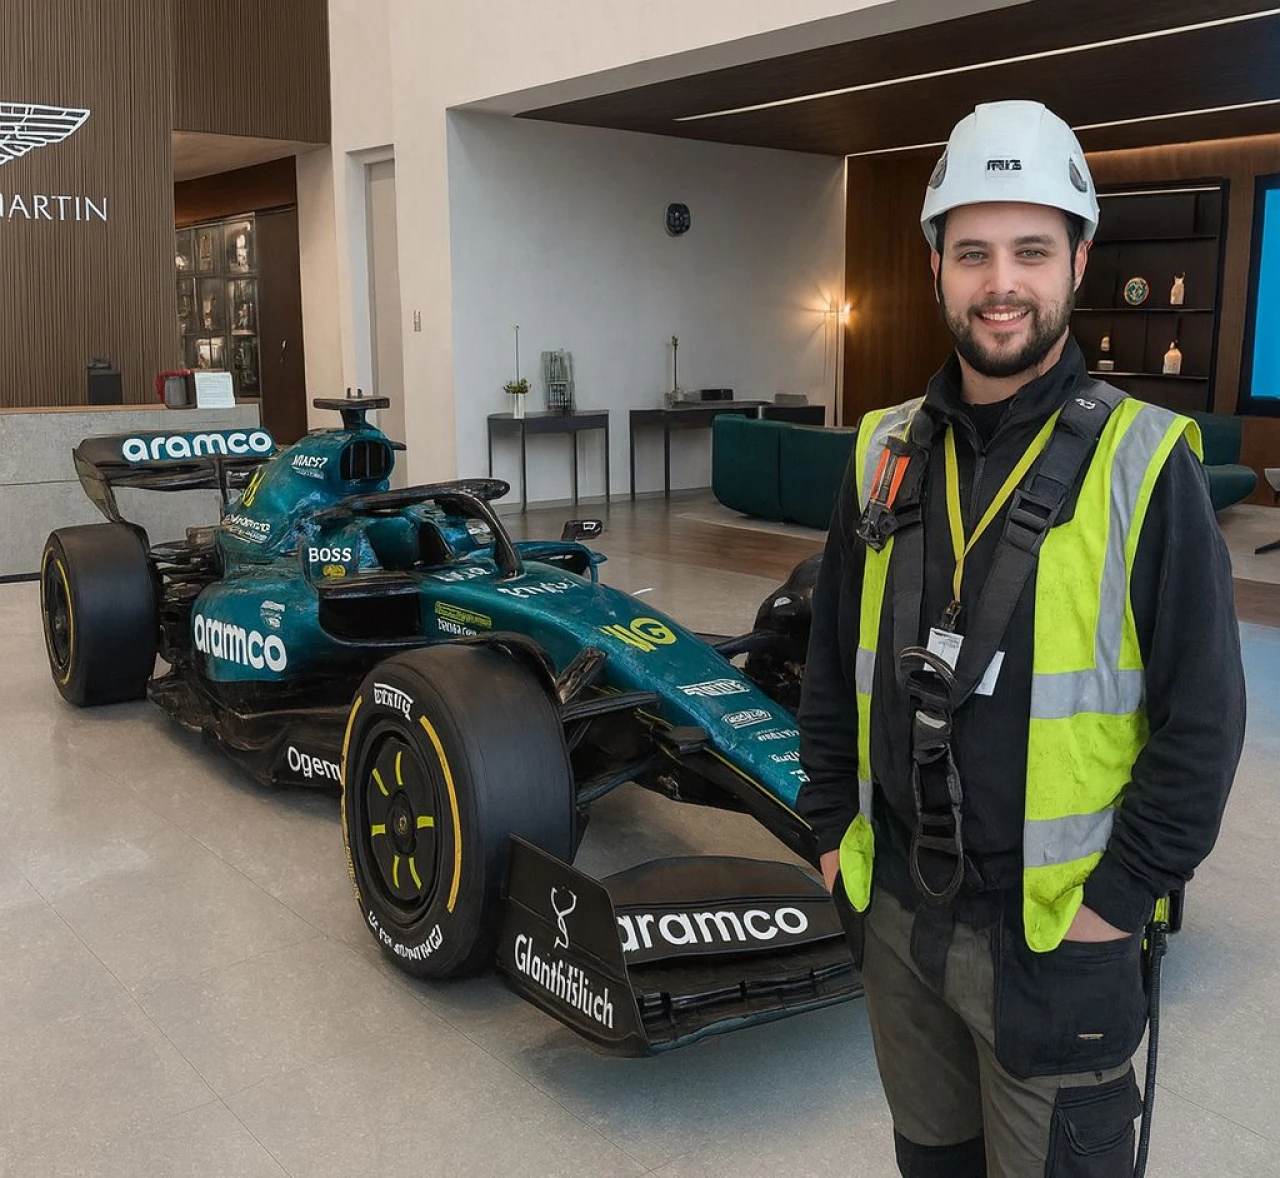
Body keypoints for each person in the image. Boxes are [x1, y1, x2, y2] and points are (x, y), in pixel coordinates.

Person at [797, 100, 1246, 1178]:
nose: (1000, 282)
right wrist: (830, 829)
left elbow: (1204, 722)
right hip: (899, 913)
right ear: (937, 266)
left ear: (1078, 262)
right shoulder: (883, 453)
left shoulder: (1145, 464)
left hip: (1056, 938)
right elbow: (828, 662)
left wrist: (1116, 902)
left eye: (1030, 250)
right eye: (973, 252)